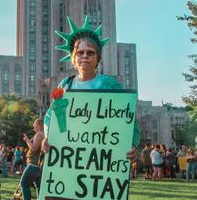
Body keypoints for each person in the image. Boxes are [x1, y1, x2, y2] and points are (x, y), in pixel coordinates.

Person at [41, 17, 140, 159]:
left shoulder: (110, 85)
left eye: (90, 52)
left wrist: (133, 143)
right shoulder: (65, 85)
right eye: (80, 53)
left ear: (98, 58)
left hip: (103, 156)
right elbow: (51, 116)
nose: (85, 56)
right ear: (74, 59)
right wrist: (47, 137)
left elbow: (128, 118)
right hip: (70, 156)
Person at [20, 118, 44, 200]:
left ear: (39, 125)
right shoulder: (43, 134)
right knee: (38, 187)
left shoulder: (39, 134)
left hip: (33, 165)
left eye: (35, 124)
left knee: (24, 184)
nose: (33, 125)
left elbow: (34, 148)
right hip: (38, 166)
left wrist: (27, 140)